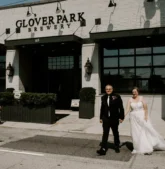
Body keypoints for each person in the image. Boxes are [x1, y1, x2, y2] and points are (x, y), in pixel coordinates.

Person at [125, 87, 165, 155]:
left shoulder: (141, 98)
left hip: (142, 116)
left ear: (138, 92)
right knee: (136, 132)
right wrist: (123, 116)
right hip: (133, 118)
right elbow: (127, 109)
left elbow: (145, 108)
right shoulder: (130, 99)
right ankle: (138, 147)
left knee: (145, 131)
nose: (134, 93)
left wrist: (146, 116)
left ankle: (147, 146)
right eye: (132, 92)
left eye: (135, 91)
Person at [97, 84, 124, 155]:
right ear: (105, 90)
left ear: (112, 89)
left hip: (114, 118)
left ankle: (117, 146)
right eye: (107, 89)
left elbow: (121, 107)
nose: (108, 90)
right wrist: (100, 117)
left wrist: (121, 117)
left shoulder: (117, 96)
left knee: (115, 133)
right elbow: (102, 108)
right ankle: (103, 148)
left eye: (109, 89)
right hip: (106, 118)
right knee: (105, 133)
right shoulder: (103, 97)